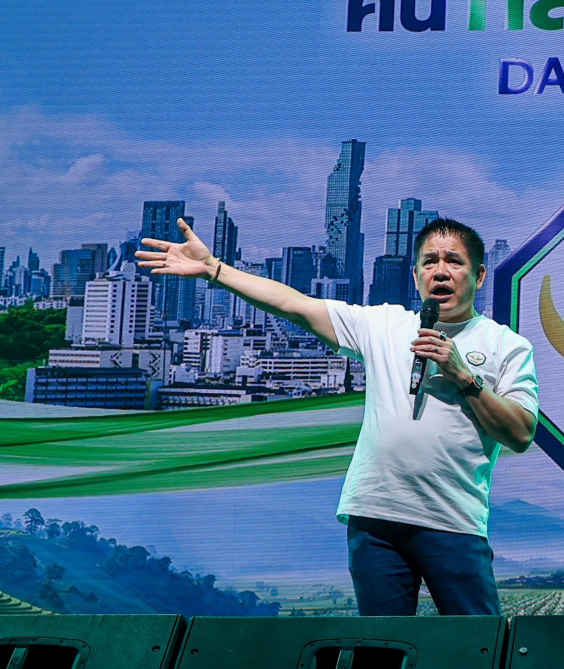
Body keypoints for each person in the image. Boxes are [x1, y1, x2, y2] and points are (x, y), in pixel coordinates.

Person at [136, 217, 538, 616]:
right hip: (376, 519)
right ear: (416, 276)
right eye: (430, 261)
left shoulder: (507, 345)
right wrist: (214, 269)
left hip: (453, 521)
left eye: (454, 261)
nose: (441, 271)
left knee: (476, 643)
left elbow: (520, 433)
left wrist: (463, 375)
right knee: (380, 645)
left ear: (479, 275)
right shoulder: (384, 324)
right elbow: (295, 305)